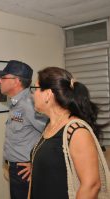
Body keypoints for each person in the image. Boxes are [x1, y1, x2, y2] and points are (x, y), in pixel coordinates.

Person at [29, 67, 103, 199]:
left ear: (48, 95)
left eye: (35, 89)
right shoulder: (50, 124)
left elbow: (91, 185)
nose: (33, 94)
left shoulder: (76, 131)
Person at [0, 60, 47, 199]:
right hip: (15, 169)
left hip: (25, 172)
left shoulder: (30, 104)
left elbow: (52, 134)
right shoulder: (15, 102)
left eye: (3, 77)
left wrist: (36, 165)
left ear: (16, 81)